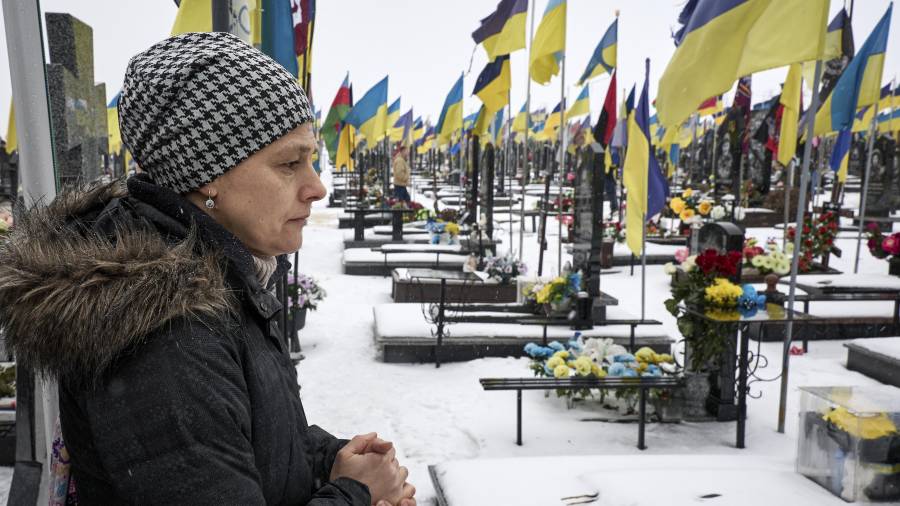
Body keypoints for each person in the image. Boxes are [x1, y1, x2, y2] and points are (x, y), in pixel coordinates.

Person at [0, 32, 415, 506]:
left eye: (312, 159)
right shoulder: (161, 333)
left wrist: (325, 459)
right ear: (208, 176)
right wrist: (356, 495)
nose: (317, 187)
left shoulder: (211, 279)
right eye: (289, 164)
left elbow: (237, 435)